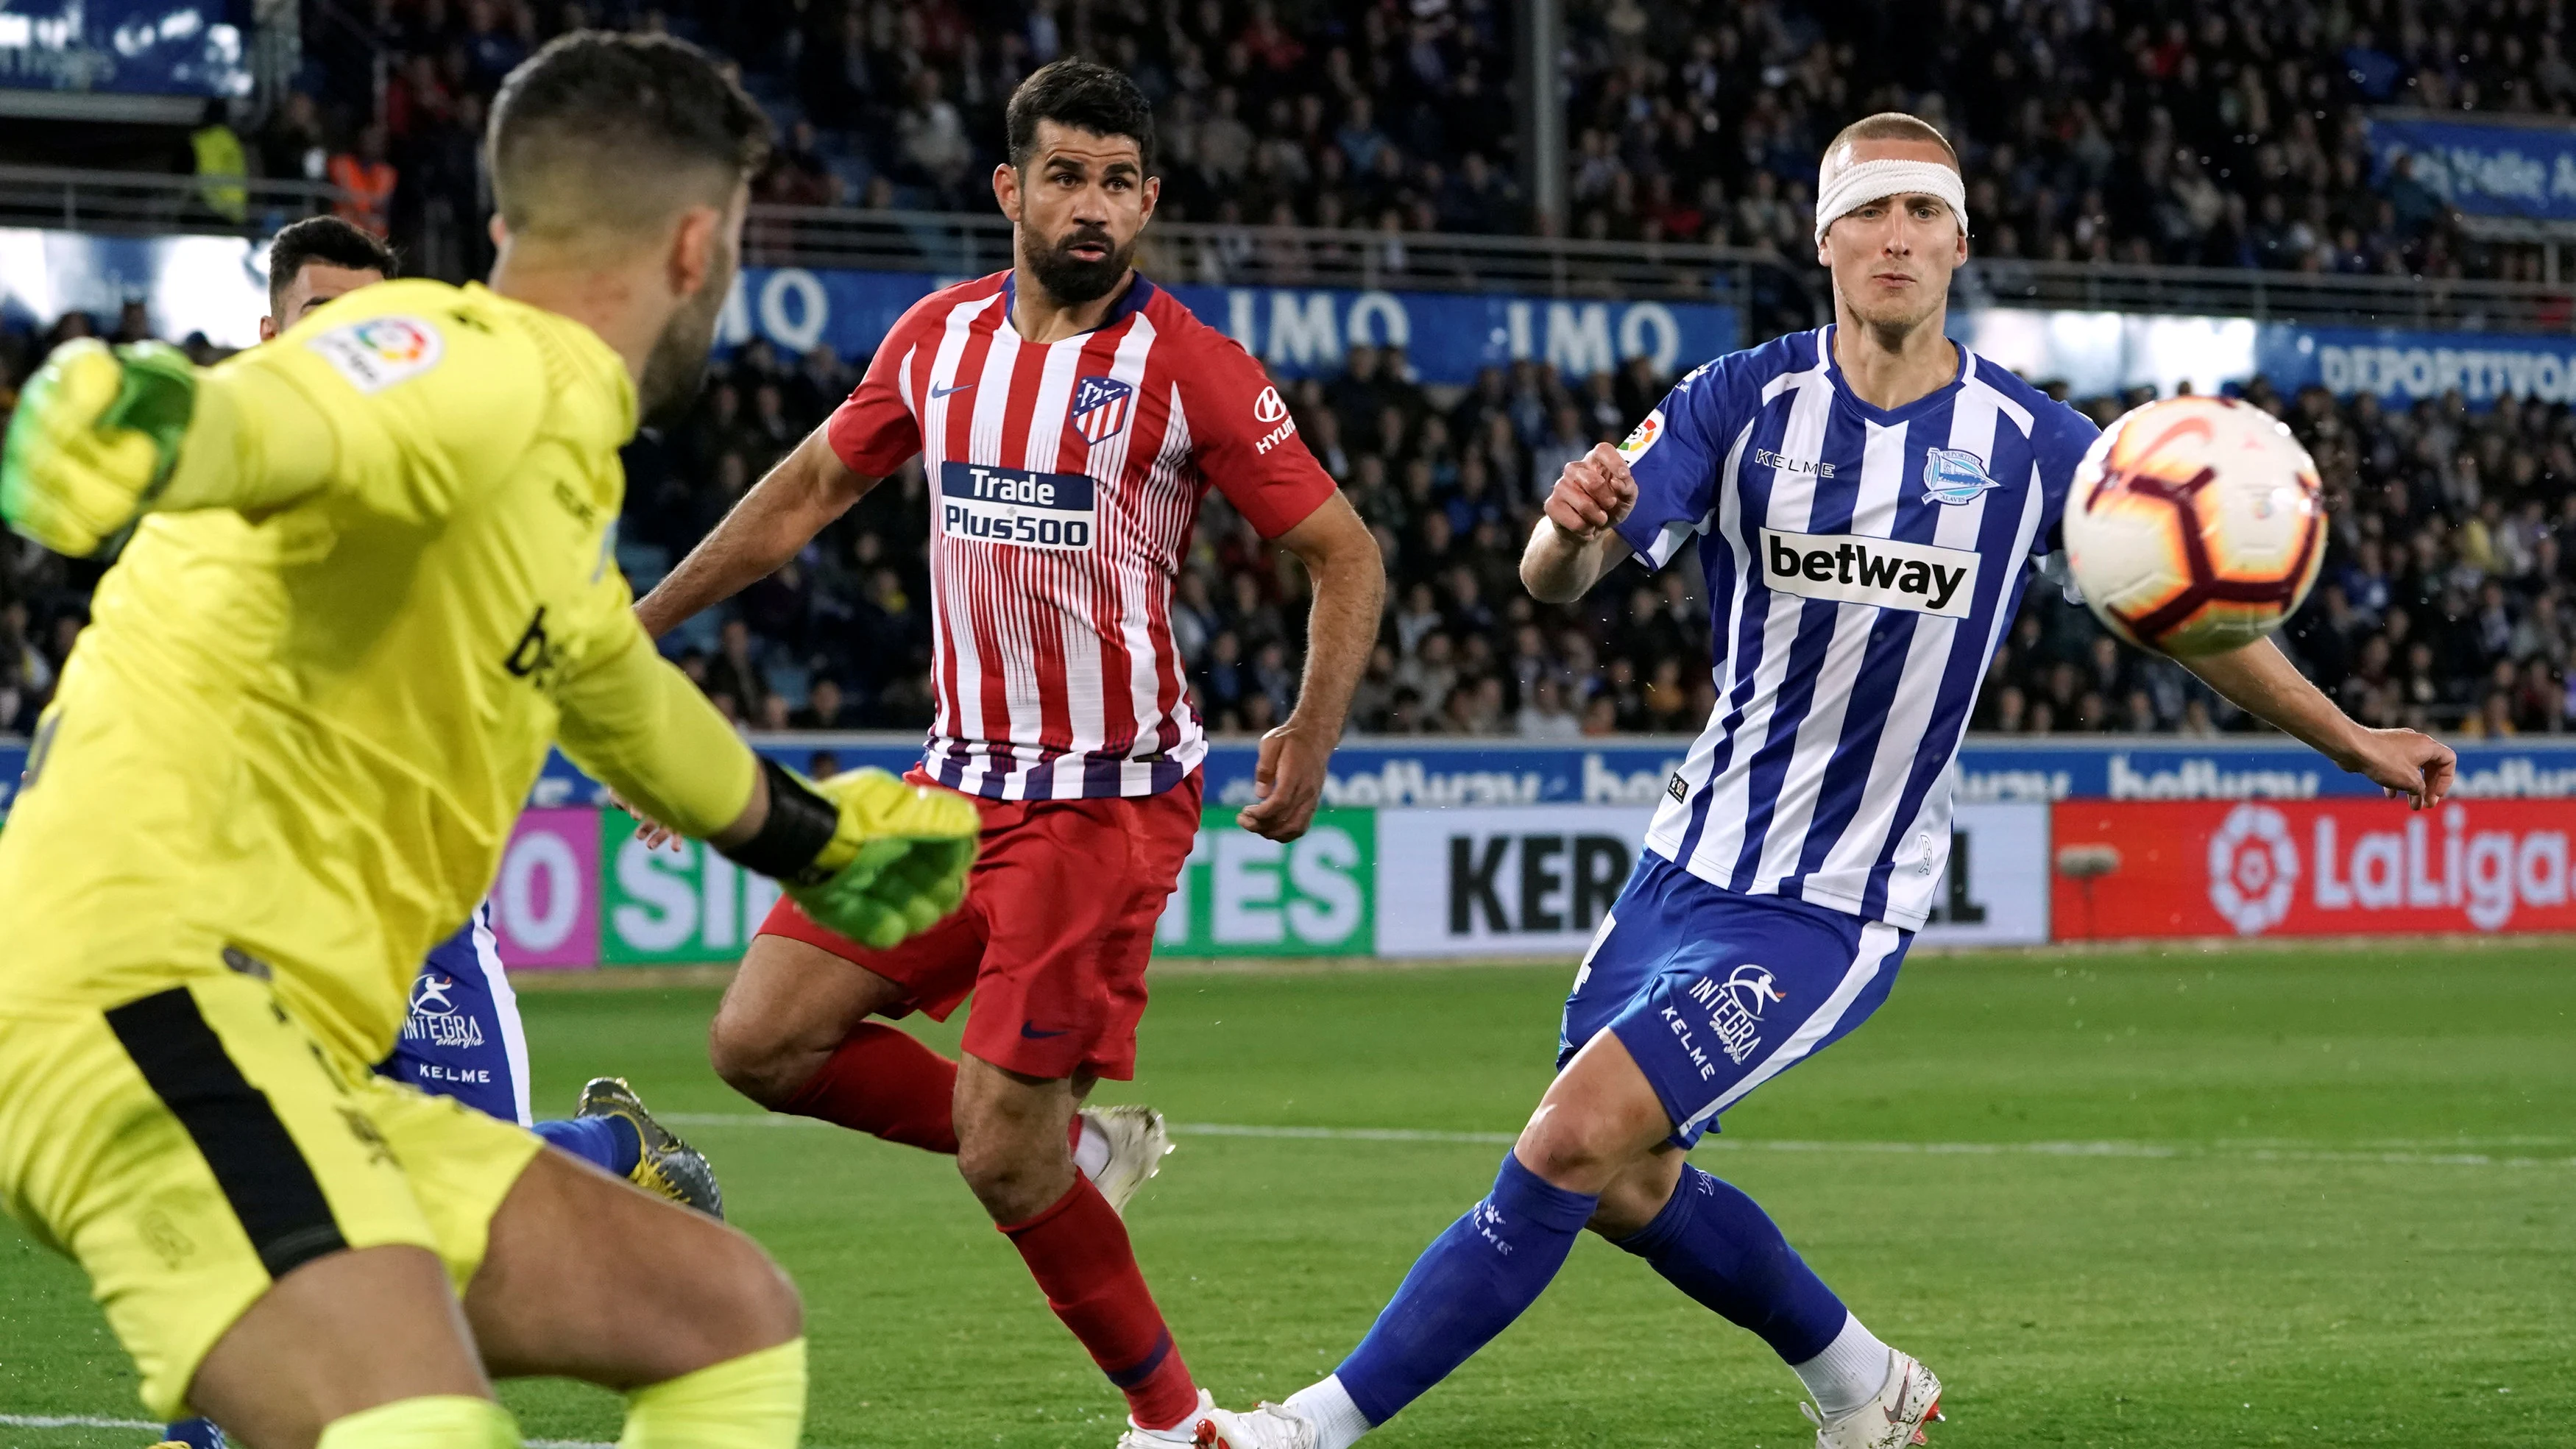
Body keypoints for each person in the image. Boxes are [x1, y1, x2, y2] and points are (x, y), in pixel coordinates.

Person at [1203, 113, 2458, 1449]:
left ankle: (1306, 1429)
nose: (1897, 237)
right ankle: (1868, 1386)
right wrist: (1567, 530)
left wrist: (2353, 739)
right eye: (1871, 212)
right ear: (1826, 238)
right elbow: (1556, 576)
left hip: (1834, 901)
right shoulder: (1741, 400)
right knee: (1625, 1183)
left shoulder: (2037, 448)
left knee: (1569, 1142)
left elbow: (2186, 612)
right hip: (1684, 863)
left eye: (1924, 213)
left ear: (1961, 243)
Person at [0, 32, 980, 1449]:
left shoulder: (535, 467)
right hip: (147, 1002)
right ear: (701, 246)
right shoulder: (464, 369)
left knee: (723, 1320)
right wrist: (164, 422)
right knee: (422, 1423)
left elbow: (604, 676)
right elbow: (305, 411)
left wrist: (818, 846)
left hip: (287, 1058)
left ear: (513, 225)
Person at [631, 58, 1385, 1449]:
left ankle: (1178, 1426)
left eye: (1117, 183)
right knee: (759, 1041)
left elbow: (1343, 550)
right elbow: (806, 492)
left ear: (1147, 201)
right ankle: (1080, 1154)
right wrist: (641, 628)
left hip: (1105, 809)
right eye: (1064, 176)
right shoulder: (937, 340)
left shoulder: (1189, 365)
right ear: (1011, 187)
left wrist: (1312, 733)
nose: (1091, 206)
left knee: (995, 1153)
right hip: (950, 788)